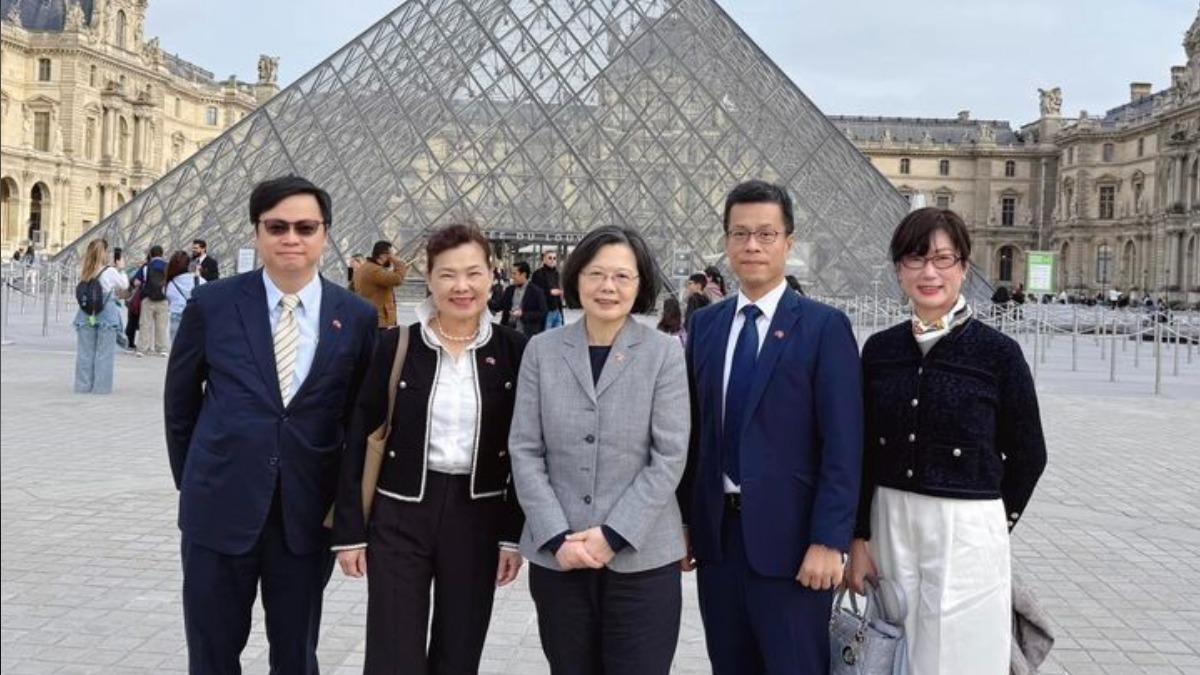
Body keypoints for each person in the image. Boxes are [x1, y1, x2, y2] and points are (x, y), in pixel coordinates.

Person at [164, 175, 378, 674]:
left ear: (325, 234)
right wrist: (195, 481)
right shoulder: (211, 304)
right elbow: (179, 407)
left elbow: (359, 420)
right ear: (256, 233)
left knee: (297, 657)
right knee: (212, 655)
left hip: (306, 515)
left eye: (306, 227)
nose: (291, 238)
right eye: (276, 226)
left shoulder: (357, 316)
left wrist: (348, 515)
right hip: (218, 509)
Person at [846, 207, 1047, 675]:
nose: (929, 272)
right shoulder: (880, 350)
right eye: (915, 259)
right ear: (898, 269)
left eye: (942, 258)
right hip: (889, 521)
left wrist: (993, 522)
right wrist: (858, 536)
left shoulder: (1000, 354)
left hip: (968, 526)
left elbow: (1030, 454)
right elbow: (863, 452)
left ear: (963, 266)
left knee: (963, 655)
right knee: (894, 649)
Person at [679, 180, 863, 674]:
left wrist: (830, 540)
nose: (752, 246)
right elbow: (695, 436)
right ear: (725, 242)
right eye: (740, 234)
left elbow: (844, 444)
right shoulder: (706, 326)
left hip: (795, 546)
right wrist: (683, 523)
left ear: (789, 242)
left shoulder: (825, 327)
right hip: (718, 542)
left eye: (765, 233)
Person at [333, 223, 525, 674]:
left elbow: (527, 449)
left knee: (459, 652)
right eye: (448, 274)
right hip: (399, 512)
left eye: (474, 273)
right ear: (429, 276)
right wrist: (349, 532)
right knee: (392, 653)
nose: (462, 287)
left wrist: (511, 536)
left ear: (491, 273)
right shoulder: (395, 345)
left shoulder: (515, 350)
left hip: (479, 516)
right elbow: (359, 434)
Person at [510, 225, 690, 674]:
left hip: (642, 558)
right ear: (576, 279)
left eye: (622, 277)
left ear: (640, 284)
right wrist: (555, 537)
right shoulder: (541, 350)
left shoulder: (663, 353)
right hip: (560, 556)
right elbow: (525, 450)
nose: (607, 287)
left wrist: (612, 535)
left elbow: (669, 457)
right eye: (595, 274)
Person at [73, 239, 129, 394]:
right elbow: (124, 285)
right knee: (104, 353)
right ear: (104, 252)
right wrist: (121, 269)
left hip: (85, 314)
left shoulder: (84, 270)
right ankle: (101, 388)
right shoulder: (109, 271)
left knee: (85, 353)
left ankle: (82, 386)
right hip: (106, 313)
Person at [355, 240, 408, 327]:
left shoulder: (365, 268)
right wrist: (399, 263)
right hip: (379, 320)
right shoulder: (375, 271)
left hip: (369, 317)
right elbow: (397, 279)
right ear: (383, 255)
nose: (392, 259)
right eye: (391, 255)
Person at [133, 245, 170, 357]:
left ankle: (142, 349)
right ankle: (162, 349)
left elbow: (136, 282)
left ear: (150, 254)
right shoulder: (167, 266)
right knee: (162, 325)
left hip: (148, 298)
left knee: (145, 324)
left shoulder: (146, 267)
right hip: (163, 299)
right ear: (162, 254)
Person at [496, 261, 547, 336]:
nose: (512, 276)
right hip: (508, 331)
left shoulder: (536, 292)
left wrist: (523, 314)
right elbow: (499, 305)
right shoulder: (509, 290)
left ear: (523, 274)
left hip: (526, 333)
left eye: (514, 273)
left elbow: (543, 313)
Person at [165, 250, 204, 343]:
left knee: (176, 349)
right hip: (194, 317)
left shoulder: (171, 283)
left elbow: (169, 297)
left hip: (176, 315)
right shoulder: (199, 280)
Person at [531, 249, 565, 330]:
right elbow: (534, 292)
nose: (552, 260)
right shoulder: (537, 274)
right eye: (550, 258)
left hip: (557, 310)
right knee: (546, 337)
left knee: (558, 336)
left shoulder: (557, 274)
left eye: (554, 258)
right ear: (544, 259)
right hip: (546, 311)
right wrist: (550, 292)